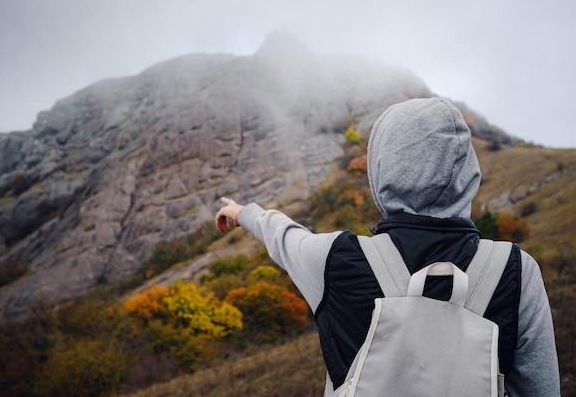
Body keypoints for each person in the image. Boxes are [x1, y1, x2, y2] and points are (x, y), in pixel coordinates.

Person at [215, 97, 561, 396]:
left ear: (381, 168)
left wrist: (243, 212)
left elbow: (282, 234)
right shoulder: (517, 269)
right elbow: (541, 389)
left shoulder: (333, 259)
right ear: (467, 173)